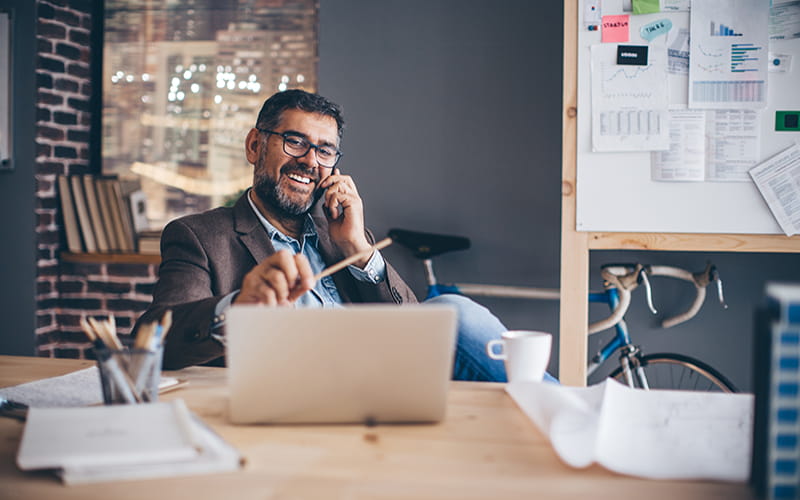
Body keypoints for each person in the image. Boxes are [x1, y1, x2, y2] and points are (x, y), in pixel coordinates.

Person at [134, 89, 548, 382]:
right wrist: (239, 306)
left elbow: (412, 321)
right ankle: (566, 414)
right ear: (255, 146)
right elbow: (156, 337)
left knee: (452, 314)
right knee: (455, 311)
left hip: (383, 379)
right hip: (297, 388)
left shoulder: (341, 235)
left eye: (325, 150)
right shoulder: (200, 236)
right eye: (295, 142)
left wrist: (359, 249)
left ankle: (557, 418)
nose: (310, 161)